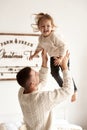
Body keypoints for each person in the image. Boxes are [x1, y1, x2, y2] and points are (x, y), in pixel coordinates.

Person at [16, 49, 73, 130]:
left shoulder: (22, 92)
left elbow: (42, 81)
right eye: (35, 74)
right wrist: (64, 67)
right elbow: (68, 91)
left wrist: (44, 61)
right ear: (32, 84)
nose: (38, 73)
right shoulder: (42, 98)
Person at [29, 12, 77, 102]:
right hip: (53, 56)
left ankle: (74, 90)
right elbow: (40, 47)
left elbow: (63, 45)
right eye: (42, 26)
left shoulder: (53, 36)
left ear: (52, 27)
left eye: (48, 26)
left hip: (61, 54)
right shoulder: (41, 38)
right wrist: (34, 54)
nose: (46, 28)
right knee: (54, 73)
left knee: (66, 71)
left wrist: (61, 58)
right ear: (39, 28)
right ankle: (66, 89)